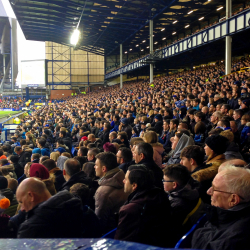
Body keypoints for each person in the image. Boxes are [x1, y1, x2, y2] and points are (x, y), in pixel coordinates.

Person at [115, 164, 175, 248]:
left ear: (134, 185)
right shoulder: (160, 195)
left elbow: (120, 243)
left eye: (126, 179)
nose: (123, 181)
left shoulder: (130, 210)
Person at [192, 166, 250, 250]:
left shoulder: (231, 241)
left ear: (233, 199)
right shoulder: (227, 216)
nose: (208, 191)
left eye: (215, 189)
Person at [13, 178, 84, 238]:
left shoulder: (30, 229)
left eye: (21, 202)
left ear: (31, 196)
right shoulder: (82, 210)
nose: (22, 209)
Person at [163, 164, 204, 236]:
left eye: (164, 180)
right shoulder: (193, 189)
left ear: (174, 185)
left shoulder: (177, 205)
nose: (162, 182)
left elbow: (168, 228)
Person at [94, 152, 127, 233]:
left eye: (96, 165)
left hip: (109, 234)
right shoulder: (123, 179)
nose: (94, 167)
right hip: (121, 228)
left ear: (103, 169)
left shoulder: (102, 192)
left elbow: (99, 221)